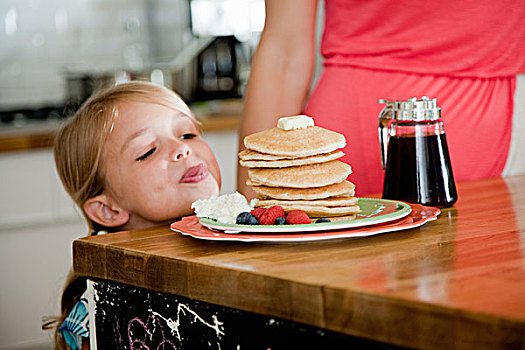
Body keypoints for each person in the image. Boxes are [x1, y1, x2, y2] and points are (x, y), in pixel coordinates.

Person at [237, 0, 525, 197]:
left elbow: (284, 52)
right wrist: (248, 221)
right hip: (340, 160)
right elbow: (283, 51)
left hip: (495, 153)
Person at [42, 81, 221, 349]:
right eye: (148, 151)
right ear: (109, 210)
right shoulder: (105, 311)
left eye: (188, 134)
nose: (183, 149)